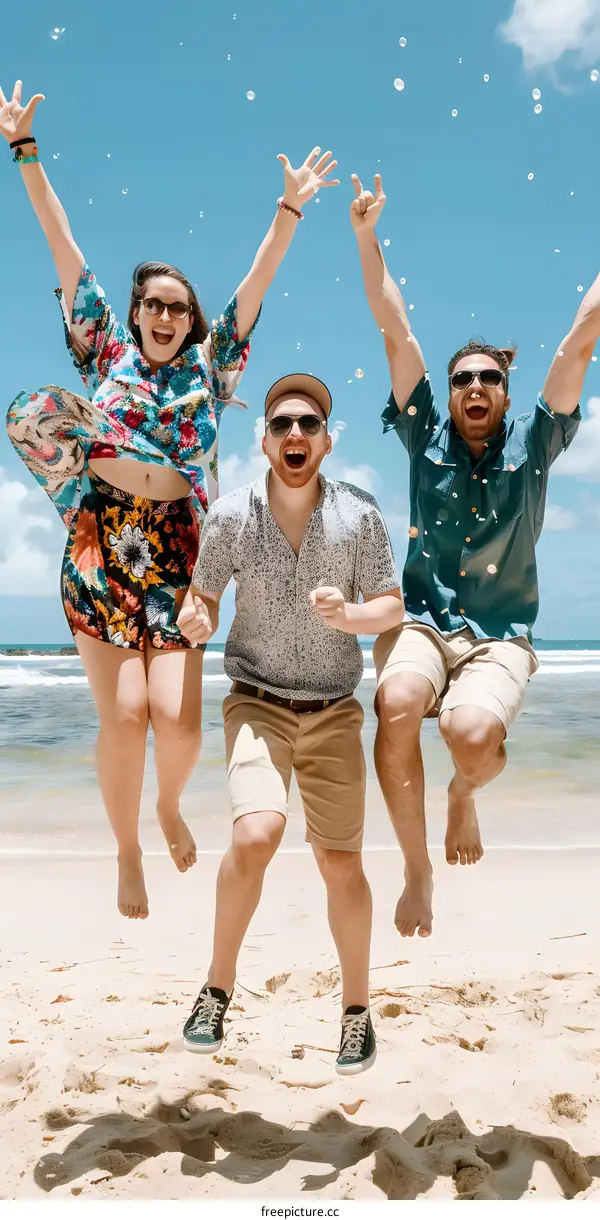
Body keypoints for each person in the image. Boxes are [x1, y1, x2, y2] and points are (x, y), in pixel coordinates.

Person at [2, 75, 339, 920]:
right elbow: (62, 244)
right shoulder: (102, 350)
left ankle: (165, 808)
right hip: (100, 540)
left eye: (177, 308)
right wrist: (25, 153)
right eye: (152, 303)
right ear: (135, 310)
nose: (163, 316)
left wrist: (289, 209)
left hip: (181, 546)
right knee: (123, 717)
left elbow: (256, 283)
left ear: (191, 323)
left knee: (177, 724)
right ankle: (126, 850)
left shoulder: (211, 365)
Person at [351, 171, 588, 940]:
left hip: (501, 633)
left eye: (489, 377)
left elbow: (581, 336)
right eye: (463, 379)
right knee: (392, 706)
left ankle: (462, 793)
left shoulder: (538, 441)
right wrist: (366, 236)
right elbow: (396, 328)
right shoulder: (425, 433)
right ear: (448, 393)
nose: (476, 386)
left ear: (507, 391)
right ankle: (417, 870)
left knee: (473, 736)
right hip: (422, 621)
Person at [177, 373, 403, 1074]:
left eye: (308, 424)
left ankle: (357, 1012)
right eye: (282, 425)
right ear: (266, 440)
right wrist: (196, 618)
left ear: (327, 441)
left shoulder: (359, 515)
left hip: (334, 709)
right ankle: (216, 987)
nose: (295, 435)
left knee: (341, 864)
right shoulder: (231, 516)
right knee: (257, 832)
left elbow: (390, 607)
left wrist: (352, 617)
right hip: (256, 702)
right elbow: (204, 598)